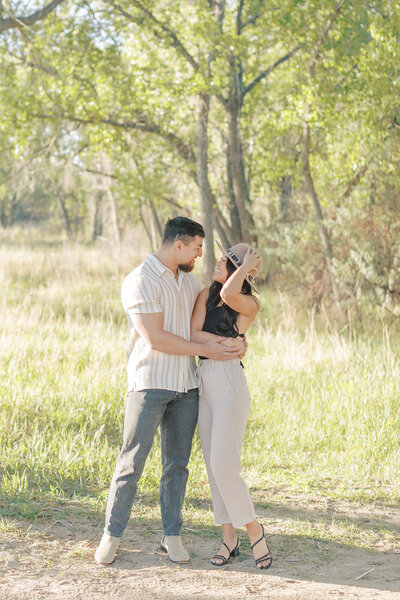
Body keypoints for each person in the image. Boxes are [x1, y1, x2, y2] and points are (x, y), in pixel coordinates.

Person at [95, 217, 244, 566]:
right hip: (149, 383)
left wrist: (234, 343)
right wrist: (212, 349)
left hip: (187, 387)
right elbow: (156, 339)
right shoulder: (140, 280)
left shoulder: (191, 284)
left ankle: (171, 536)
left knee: (177, 466)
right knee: (132, 462)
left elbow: (210, 320)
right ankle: (112, 536)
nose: (200, 254)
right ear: (179, 245)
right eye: (196, 248)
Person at [190, 240, 272, 570]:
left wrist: (244, 265)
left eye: (225, 260)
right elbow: (192, 335)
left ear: (239, 271)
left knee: (225, 464)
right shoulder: (204, 293)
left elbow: (228, 296)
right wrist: (226, 343)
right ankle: (229, 536)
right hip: (204, 382)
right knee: (213, 466)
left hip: (229, 384)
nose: (216, 261)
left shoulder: (249, 303)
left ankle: (254, 529)